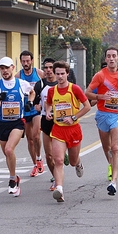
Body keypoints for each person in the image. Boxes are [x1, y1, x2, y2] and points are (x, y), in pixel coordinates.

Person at [85, 46, 118, 196]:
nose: (111, 58)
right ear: (106, 59)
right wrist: (101, 97)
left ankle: (113, 182)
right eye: (109, 56)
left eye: (114, 56)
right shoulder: (100, 76)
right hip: (102, 115)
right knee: (107, 148)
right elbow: (87, 92)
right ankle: (111, 165)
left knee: (115, 147)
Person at [45, 61, 91, 202]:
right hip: (58, 129)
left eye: (62, 74)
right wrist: (48, 112)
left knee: (71, 161)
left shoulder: (74, 89)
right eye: (57, 74)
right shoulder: (52, 91)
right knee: (58, 160)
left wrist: (73, 117)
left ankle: (78, 163)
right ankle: (59, 189)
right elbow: (48, 103)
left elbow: (87, 106)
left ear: (67, 74)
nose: (59, 76)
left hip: (73, 130)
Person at [0, 56, 34, 197]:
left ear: (12, 68)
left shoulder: (21, 83)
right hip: (2, 123)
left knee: (9, 150)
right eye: (2, 68)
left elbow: (32, 92)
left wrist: (30, 102)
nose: (5, 71)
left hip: (17, 122)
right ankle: (15, 177)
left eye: (7, 68)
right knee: (7, 154)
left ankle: (12, 180)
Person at [15, 50, 45, 177]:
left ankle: (39, 158)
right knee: (30, 139)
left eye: (28, 61)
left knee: (36, 135)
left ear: (32, 60)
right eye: (23, 61)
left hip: (37, 109)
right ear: (20, 62)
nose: (26, 63)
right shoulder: (18, 76)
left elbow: (47, 86)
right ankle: (35, 164)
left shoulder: (39, 73)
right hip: (25, 110)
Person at [33, 58, 59, 191]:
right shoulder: (40, 85)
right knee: (49, 155)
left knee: (58, 154)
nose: (48, 70)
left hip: (61, 121)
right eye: (46, 68)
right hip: (46, 119)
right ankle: (56, 178)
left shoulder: (62, 83)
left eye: (50, 67)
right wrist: (36, 105)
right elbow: (34, 99)